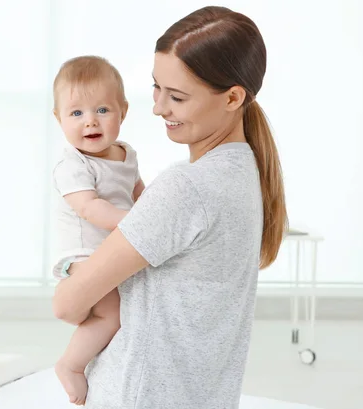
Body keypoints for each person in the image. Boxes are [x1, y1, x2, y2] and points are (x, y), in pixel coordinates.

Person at [52, 6, 288, 409]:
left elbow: (67, 305)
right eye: (156, 87)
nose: (159, 107)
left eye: (176, 96)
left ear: (233, 97)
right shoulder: (246, 171)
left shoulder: (187, 189)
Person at [50, 55, 145, 405]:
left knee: (128, 310)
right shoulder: (72, 164)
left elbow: (138, 194)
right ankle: (71, 365)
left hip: (114, 249)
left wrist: (152, 213)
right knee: (111, 312)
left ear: (123, 111)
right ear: (58, 118)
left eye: (102, 110)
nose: (90, 121)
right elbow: (90, 208)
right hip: (84, 254)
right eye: (76, 113)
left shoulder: (126, 153)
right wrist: (134, 223)